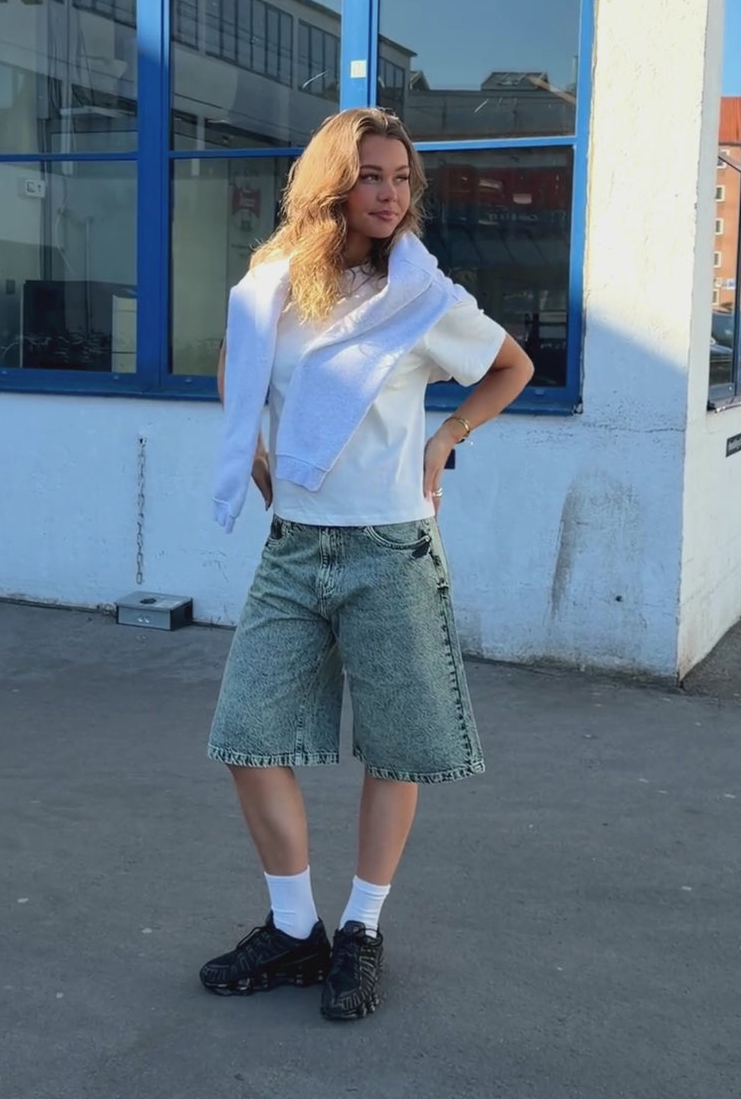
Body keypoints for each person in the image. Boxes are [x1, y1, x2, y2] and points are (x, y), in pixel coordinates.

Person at [202, 107, 534, 1020]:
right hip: (292, 548)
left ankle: (361, 929)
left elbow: (511, 367)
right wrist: (249, 444)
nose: (390, 194)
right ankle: (294, 927)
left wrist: (447, 438)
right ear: (332, 185)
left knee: (395, 748)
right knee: (246, 738)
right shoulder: (274, 286)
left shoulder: (421, 298)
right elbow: (236, 359)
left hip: (391, 550)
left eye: (401, 179)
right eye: (372, 176)